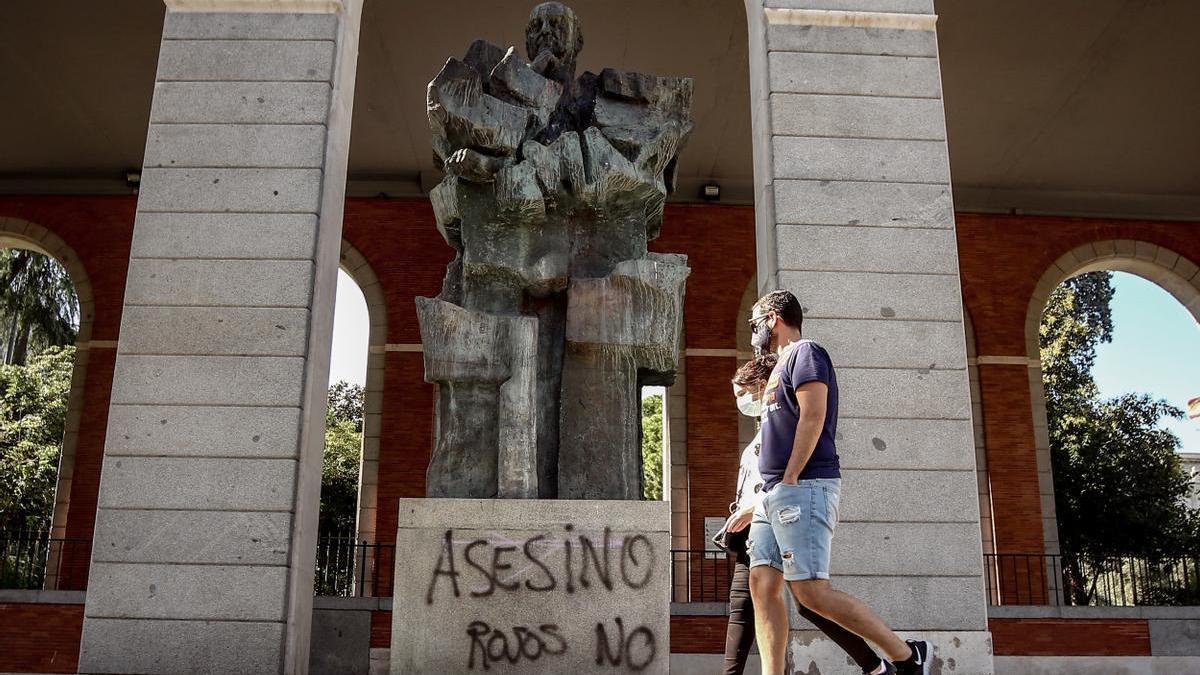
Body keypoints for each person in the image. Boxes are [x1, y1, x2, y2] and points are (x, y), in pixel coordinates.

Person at [746, 290, 932, 675]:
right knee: (761, 584)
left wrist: (793, 476)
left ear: (774, 318)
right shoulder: (777, 365)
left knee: (811, 591)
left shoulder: (806, 352)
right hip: (772, 494)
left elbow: (814, 415)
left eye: (756, 322)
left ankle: (907, 657)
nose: (753, 331)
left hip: (803, 486)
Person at [723, 354, 889, 675]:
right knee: (746, 606)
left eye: (743, 393)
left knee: (808, 601)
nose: (741, 402)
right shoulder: (764, 431)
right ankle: (877, 666)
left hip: (777, 519)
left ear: (763, 385)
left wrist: (752, 508)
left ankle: (879, 665)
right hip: (756, 532)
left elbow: (783, 481)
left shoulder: (778, 431)